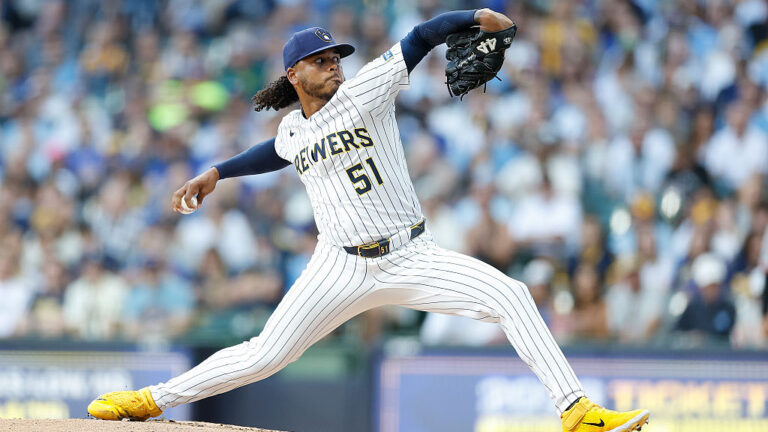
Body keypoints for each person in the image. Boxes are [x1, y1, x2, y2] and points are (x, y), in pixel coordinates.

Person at [87, 9, 650, 432]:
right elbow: (275, 151)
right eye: (322, 60)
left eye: (337, 58)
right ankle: (150, 400)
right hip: (339, 266)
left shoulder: (366, 92)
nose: (335, 65)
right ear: (294, 74)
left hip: (412, 254)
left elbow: (421, 37)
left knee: (512, 295)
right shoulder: (293, 129)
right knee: (263, 355)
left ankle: (575, 411)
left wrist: (475, 18)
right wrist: (217, 171)